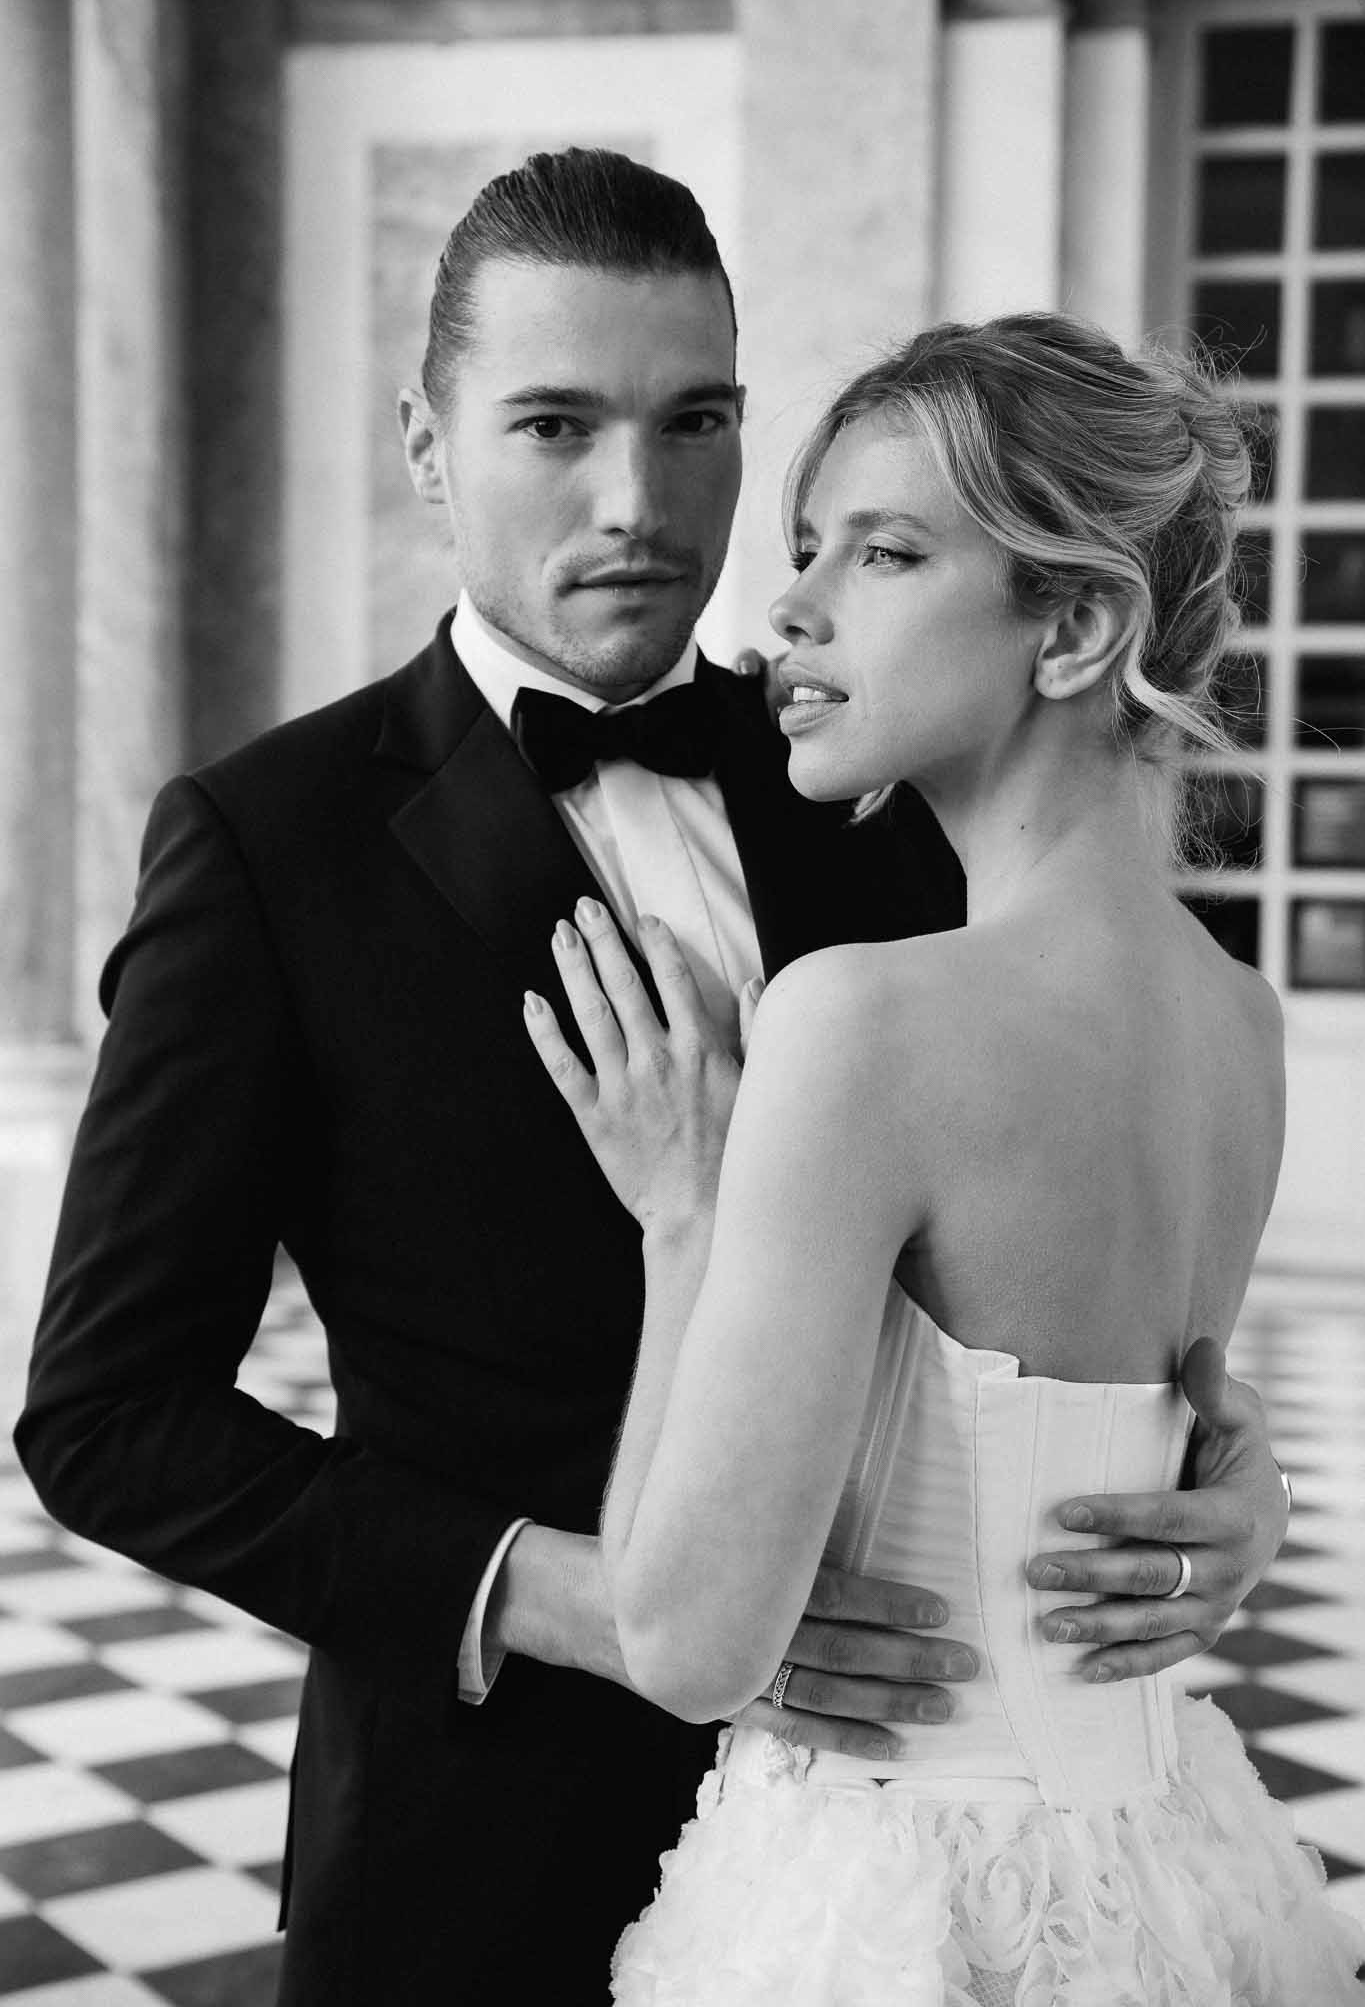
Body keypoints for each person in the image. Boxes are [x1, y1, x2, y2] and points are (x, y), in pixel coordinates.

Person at [15, 154, 1289, 2004]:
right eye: (554, 424)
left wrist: (1213, 1481)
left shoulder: (894, 779)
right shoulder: (266, 845)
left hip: (925, 1866)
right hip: (480, 1852)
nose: (639, 501)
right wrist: (575, 1600)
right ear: (427, 443)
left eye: (695, 423)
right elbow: (106, 1417)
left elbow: (1047, 1243)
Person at [524, 312, 1365, 2002]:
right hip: (1171, 1874)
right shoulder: (1238, 1022)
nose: (792, 607)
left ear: (1072, 624)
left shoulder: (866, 1025)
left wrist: (683, 1220)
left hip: (894, 1902)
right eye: (807, 547)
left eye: (888, 551)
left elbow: (689, 1645)